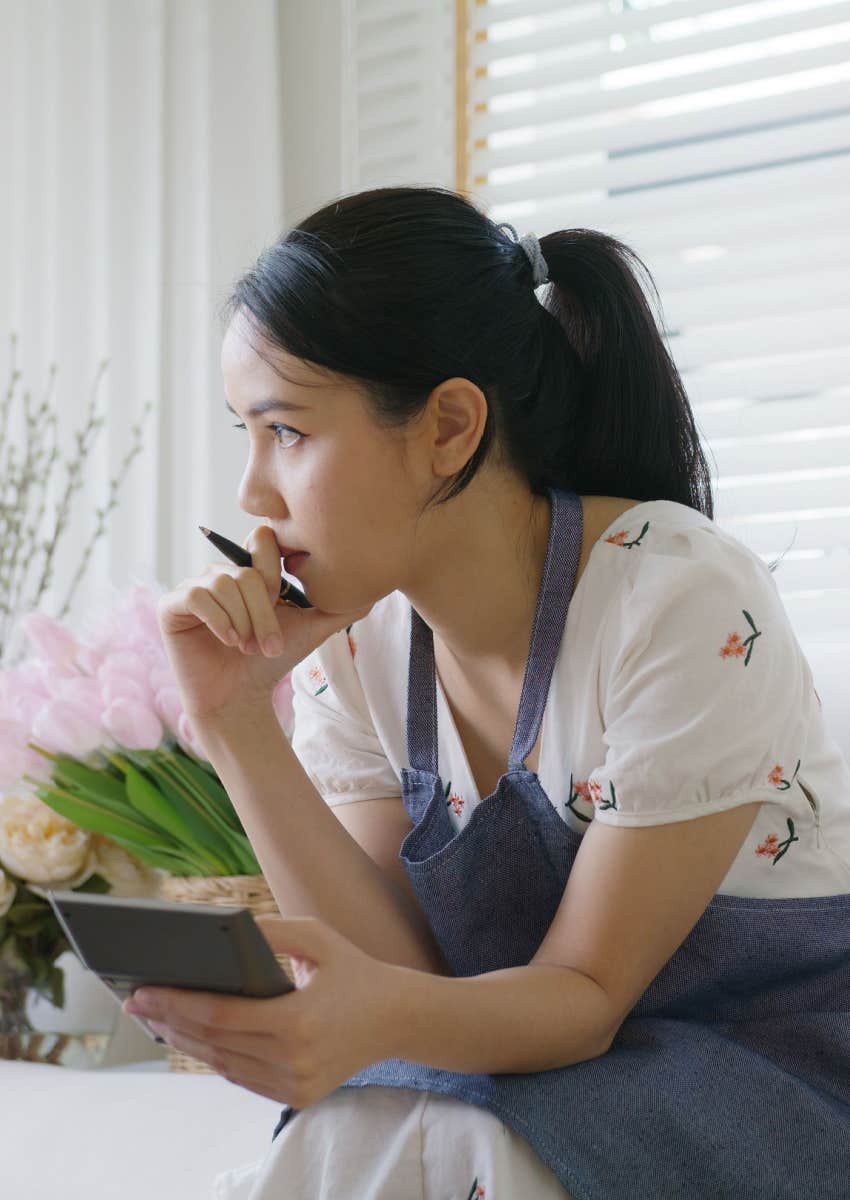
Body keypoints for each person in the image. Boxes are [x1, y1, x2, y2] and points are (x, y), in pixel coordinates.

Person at [137, 186, 850, 1199]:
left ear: (449, 426)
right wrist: (235, 718)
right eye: (245, 435)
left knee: (444, 1135)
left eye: (286, 431)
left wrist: (375, 1026)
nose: (253, 493)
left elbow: (583, 998)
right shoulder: (361, 640)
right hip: (544, 1076)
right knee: (372, 1117)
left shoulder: (678, 595)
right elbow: (406, 985)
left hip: (772, 1076)